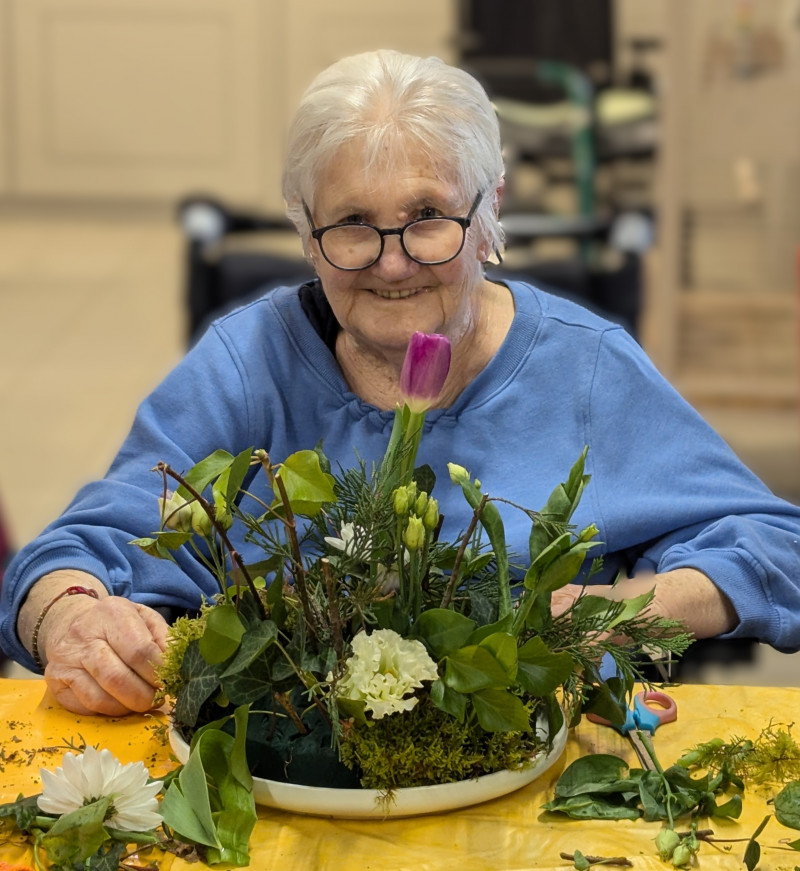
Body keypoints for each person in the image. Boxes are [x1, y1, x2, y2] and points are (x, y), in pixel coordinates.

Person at [1, 50, 799, 717]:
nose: (391, 262)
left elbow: (775, 545)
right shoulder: (249, 365)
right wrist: (72, 621)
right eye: (352, 223)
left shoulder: (583, 369)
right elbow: (66, 558)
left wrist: (633, 608)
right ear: (305, 231)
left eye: (427, 217)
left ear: (489, 214)